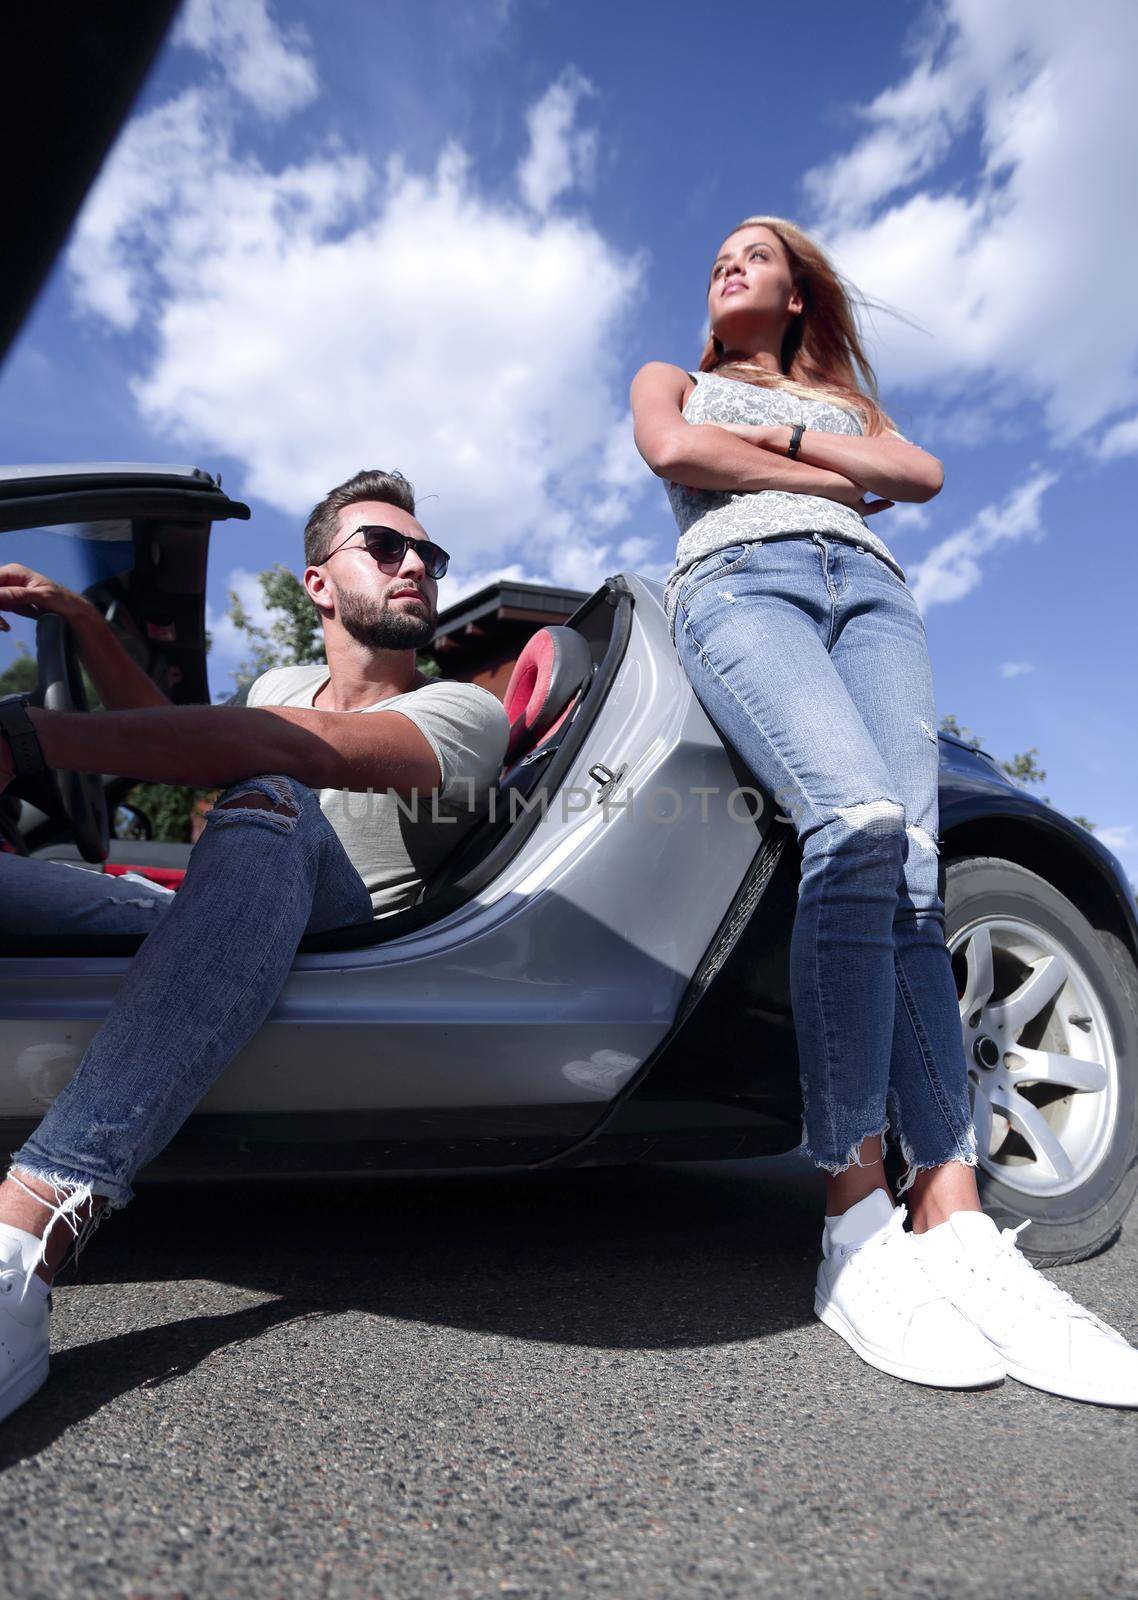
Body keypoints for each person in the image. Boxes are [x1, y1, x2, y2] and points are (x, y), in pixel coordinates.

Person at [631, 216, 1138, 1405]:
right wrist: (827, 470)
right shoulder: (675, 378)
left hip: (874, 598)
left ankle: (952, 1222)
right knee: (853, 824)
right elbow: (673, 450)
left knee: (915, 863)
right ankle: (852, 1221)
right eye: (715, 258)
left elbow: (918, 475)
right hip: (740, 583)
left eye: (753, 254)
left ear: (799, 292)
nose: (726, 265)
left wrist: (788, 438)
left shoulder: (844, 396)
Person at [0, 468, 509, 1422]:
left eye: (428, 555)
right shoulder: (280, 684)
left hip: (341, 932)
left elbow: (304, 749)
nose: (417, 568)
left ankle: (28, 1232)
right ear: (317, 582)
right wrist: (76, 617)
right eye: (387, 548)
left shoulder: (463, 711)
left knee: (269, 786)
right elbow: (160, 720)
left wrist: (29, 740)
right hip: (204, 913)